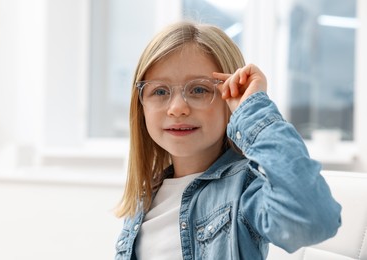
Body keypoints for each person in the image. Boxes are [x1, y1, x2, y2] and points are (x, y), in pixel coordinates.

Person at [114, 21, 341, 260]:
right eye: (159, 91)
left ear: (232, 97)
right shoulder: (145, 198)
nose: (177, 108)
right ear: (141, 106)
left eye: (199, 90)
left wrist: (253, 111)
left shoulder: (245, 191)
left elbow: (315, 219)